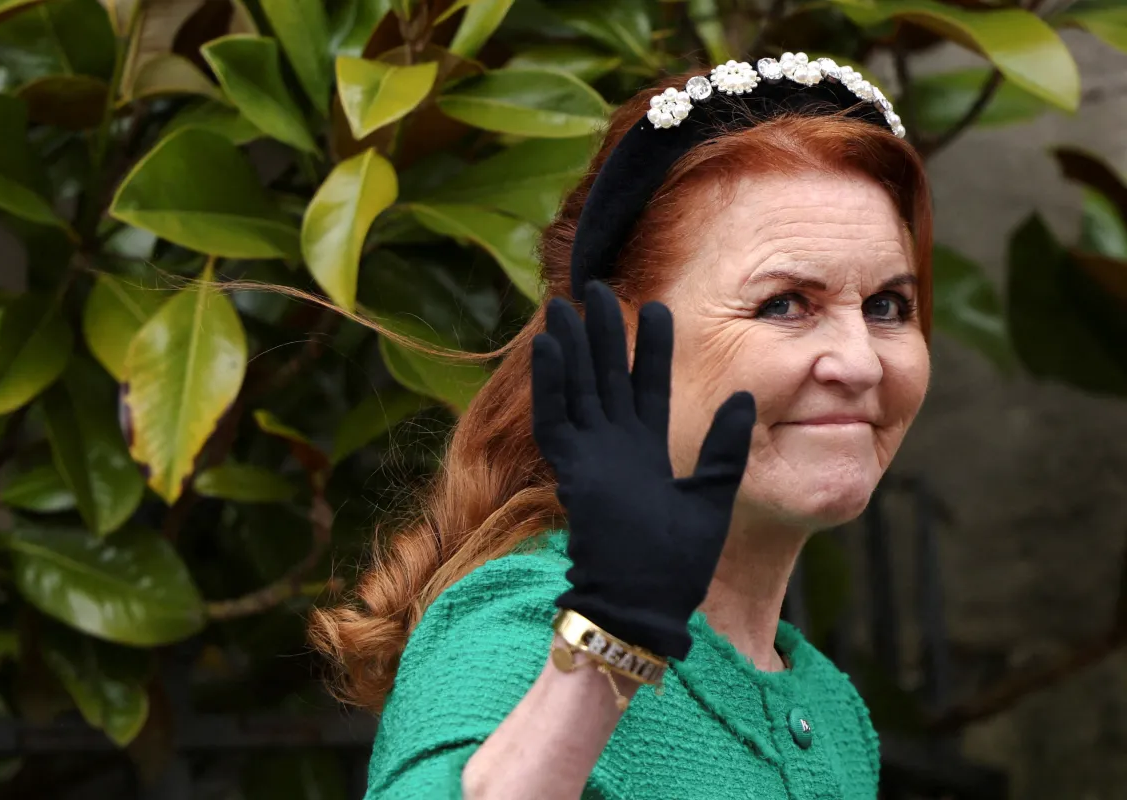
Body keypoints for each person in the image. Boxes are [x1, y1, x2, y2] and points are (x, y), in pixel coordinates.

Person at [312, 53, 932, 799]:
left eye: (887, 307)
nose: (861, 363)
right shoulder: (529, 624)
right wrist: (608, 643)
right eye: (785, 304)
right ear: (621, 342)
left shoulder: (832, 709)